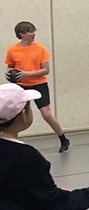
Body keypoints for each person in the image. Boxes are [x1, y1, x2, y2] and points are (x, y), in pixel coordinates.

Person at [4, 22, 69, 152]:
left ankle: (63, 138)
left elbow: (46, 70)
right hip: (21, 86)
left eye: (34, 31)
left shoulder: (40, 49)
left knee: (46, 114)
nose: (33, 34)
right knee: (17, 116)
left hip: (39, 85)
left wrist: (27, 74)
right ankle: (12, 141)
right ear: (21, 34)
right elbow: (10, 69)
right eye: (30, 31)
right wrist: (7, 74)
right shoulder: (12, 50)